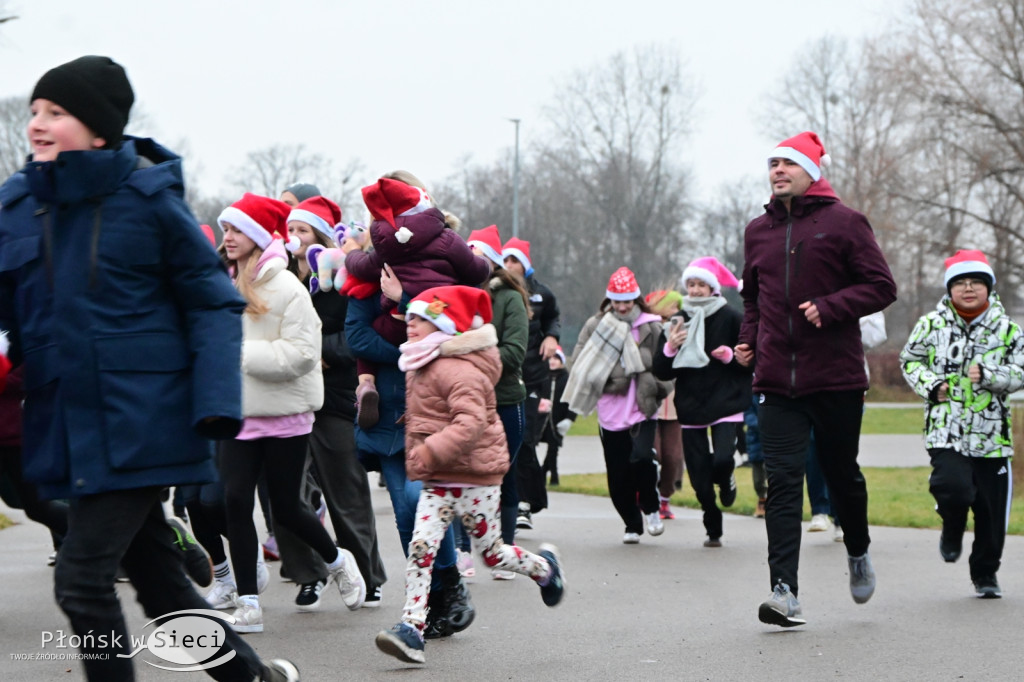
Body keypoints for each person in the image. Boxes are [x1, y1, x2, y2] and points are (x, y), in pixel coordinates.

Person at [0, 56, 298, 680]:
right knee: (166, 592)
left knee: (82, 581)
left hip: (142, 422)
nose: (37, 124)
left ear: (100, 130)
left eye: (56, 113)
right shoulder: (19, 206)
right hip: (67, 423)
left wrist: (216, 403)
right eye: (34, 112)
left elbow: (213, 304)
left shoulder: (147, 203)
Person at [735, 131, 897, 627]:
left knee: (841, 474)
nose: (777, 171)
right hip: (776, 382)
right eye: (773, 164)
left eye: (787, 164)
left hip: (836, 378)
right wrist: (748, 338)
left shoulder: (845, 223)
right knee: (783, 483)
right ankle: (785, 592)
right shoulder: (757, 230)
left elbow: (881, 286)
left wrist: (831, 307)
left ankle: (858, 551)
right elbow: (753, 298)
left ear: (812, 171)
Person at [374, 286, 565, 665]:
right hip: (439, 480)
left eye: (420, 319)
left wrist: (428, 449)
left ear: (442, 326)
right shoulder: (422, 361)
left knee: (493, 554)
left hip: (475, 477)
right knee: (421, 548)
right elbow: (434, 411)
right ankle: (411, 628)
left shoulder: (460, 368)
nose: (409, 324)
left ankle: (545, 570)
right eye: (409, 317)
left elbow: (471, 423)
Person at [217, 193, 366, 633]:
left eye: (236, 229)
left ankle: (339, 561)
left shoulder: (288, 289)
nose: (227, 237)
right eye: (225, 228)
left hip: (285, 415)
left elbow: (303, 354)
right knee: (235, 502)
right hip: (238, 414)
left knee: (286, 508)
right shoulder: (222, 283)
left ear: (260, 236)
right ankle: (248, 602)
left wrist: (237, 353)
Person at [269, 196, 388, 612]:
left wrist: (319, 349)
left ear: (320, 235)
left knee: (346, 491)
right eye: (290, 230)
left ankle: (369, 575)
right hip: (285, 399)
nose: (294, 237)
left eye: (302, 230)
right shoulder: (277, 278)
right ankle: (308, 573)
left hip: (333, 398)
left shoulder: (340, 279)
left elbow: (359, 335)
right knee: (282, 493)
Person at [900, 250, 1023, 599]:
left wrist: (990, 375)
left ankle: (985, 574)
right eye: (960, 283)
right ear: (950, 289)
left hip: (992, 435)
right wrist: (931, 385)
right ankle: (951, 528)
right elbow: (909, 361)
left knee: (990, 511)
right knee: (951, 487)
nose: (968, 289)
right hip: (946, 429)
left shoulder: (1008, 329)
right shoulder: (931, 324)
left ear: (988, 288)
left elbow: (1021, 370)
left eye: (976, 283)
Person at [341, 173, 491, 428]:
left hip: (433, 387)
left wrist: (403, 298)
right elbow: (356, 337)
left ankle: (365, 383)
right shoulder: (449, 243)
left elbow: (465, 312)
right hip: (407, 389)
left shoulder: (384, 252)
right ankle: (368, 386)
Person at [563, 267, 672, 544]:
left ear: (636, 299)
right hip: (610, 410)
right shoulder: (595, 325)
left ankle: (651, 507)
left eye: (627, 301)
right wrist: (608, 374)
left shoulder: (651, 325)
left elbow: (665, 366)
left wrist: (656, 383)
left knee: (642, 458)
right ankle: (632, 524)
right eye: (617, 301)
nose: (622, 307)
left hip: (642, 407)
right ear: (609, 300)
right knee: (618, 475)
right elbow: (578, 363)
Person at [654, 257, 750, 547]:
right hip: (692, 403)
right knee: (698, 475)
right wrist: (670, 348)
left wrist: (730, 356)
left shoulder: (732, 317)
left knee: (722, 459)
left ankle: (727, 477)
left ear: (713, 288)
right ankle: (713, 525)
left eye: (701, 285)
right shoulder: (678, 320)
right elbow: (660, 370)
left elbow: (750, 361)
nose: (695, 290)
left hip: (726, 401)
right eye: (691, 284)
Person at [465, 224, 530, 580]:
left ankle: (504, 551)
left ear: (490, 261)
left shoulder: (509, 298)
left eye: (478, 256)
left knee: (503, 476)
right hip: (467, 401)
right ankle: (463, 551)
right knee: (464, 475)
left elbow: (515, 352)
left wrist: (473, 366)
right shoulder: (458, 291)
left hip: (505, 400)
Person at [502, 237, 561, 531]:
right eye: (506, 260)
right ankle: (522, 499)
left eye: (515, 260)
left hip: (535, 377)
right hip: (507, 376)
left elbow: (554, 320)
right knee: (511, 441)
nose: (509, 265)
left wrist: (552, 337)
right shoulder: (497, 291)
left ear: (525, 264)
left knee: (526, 439)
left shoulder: (542, 295)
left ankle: (526, 504)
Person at [644, 289, 686, 519]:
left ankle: (665, 499)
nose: (676, 310)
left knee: (672, 456)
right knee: (653, 453)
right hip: (650, 400)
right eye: (672, 306)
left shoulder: (682, 328)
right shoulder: (647, 328)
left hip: (675, 402)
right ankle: (646, 492)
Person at [540, 347, 575, 488]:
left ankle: (553, 477)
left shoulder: (567, 379)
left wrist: (569, 418)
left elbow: (572, 401)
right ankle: (542, 474)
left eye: (556, 359)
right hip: (542, 420)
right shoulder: (543, 376)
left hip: (558, 420)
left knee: (553, 448)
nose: (552, 362)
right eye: (551, 358)